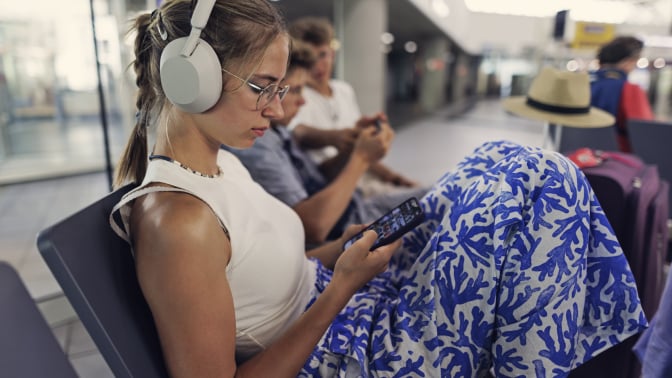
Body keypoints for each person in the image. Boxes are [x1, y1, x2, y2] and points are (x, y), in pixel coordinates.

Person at [110, 1, 646, 376]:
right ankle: (587, 353)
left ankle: (566, 354)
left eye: (280, 89)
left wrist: (347, 251)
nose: (276, 110)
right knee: (541, 180)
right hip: (353, 352)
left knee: (509, 164)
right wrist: (342, 285)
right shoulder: (178, 222)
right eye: (262, 89)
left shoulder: (222, 166)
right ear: (189, 78)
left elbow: (270, 272)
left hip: (350, 305)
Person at [224, 39, 428, 245]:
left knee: (444, 193)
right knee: (444, 201)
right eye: (293, 90)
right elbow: (313, 228)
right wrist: (361, 158)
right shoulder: (258, 142)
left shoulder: (280, 132)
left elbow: (318, 179)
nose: (302, 101)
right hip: (347, 230)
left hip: (357, 208)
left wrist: (352, 147)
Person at [287, 16, 418, 197]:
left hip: (362, 176)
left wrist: (393, 177)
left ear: (332, 54)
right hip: (332, 187)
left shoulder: (343, 90)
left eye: (323, 54)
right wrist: (339, 137)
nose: (319, 64)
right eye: (310, 57)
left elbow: (360, 149)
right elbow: (298, 132)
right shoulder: (296, 96)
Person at [590, 36, 654, 152]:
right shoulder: (630, 89)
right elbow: (645, 132)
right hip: (616, 160)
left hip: (576, 157)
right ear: (628, 62)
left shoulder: (582, 85)